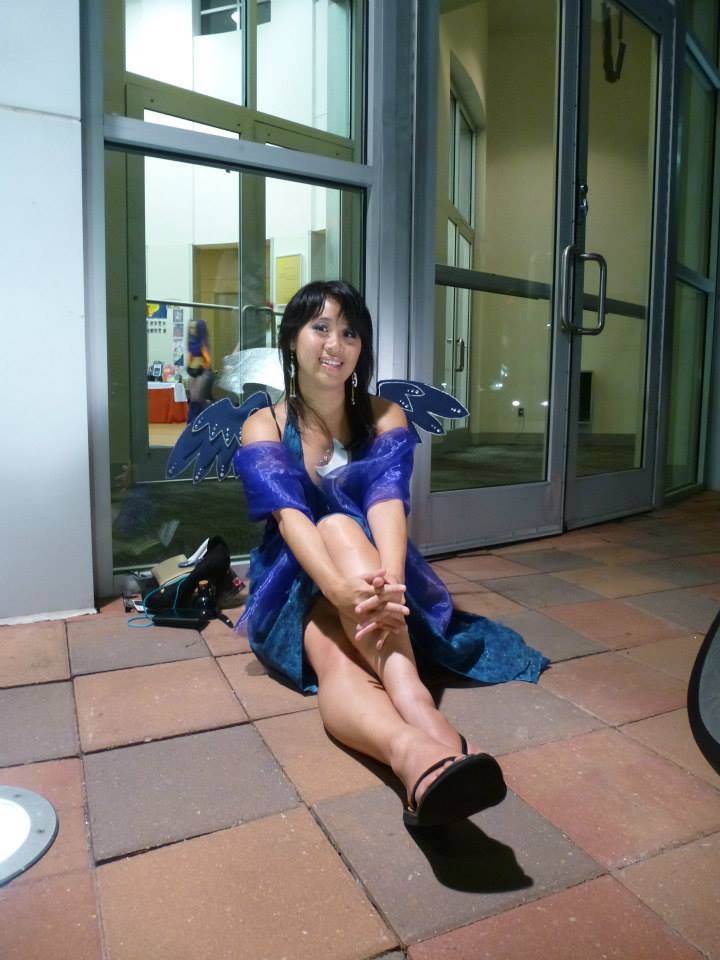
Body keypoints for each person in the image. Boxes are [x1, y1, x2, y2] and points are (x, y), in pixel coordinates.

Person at [234, 281, 548, 827]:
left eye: (350, 332)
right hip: (295, 577)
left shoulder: (386, 416)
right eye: (321, 328)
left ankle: (419, 759)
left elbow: (386, 505)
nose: (336, 344)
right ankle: (426, 733)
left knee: (340, 587)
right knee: (330, 544)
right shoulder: (265, 425)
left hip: (379, 574)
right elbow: (292, 520)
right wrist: (338, 591)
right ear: (291, 339)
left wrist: (388, 585)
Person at [186, 317, 213, 422]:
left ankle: (200, 420)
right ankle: (192, 421)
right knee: (193, 398)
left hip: (202, 371)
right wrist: (189, 366)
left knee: (198, 398)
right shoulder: (191, 342)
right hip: (193, 371)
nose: (191, 330)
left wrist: (203, 368)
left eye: (193, 328)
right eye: (190, 328)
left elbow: (208, 360)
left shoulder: (202, 343)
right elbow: (190, 356)